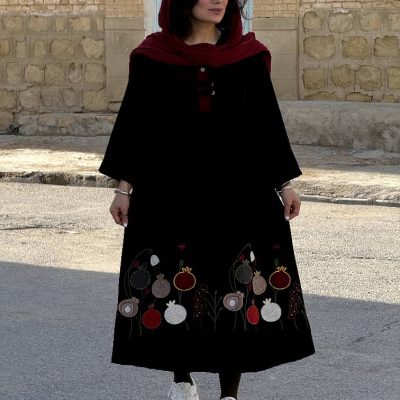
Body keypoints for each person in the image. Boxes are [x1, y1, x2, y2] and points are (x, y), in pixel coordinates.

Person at [98, 0, 315, 399]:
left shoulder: (248, 56)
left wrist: (284, 184)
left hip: (238, 194)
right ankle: (182, 380)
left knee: (234, 287)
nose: (218, 0)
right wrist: (123, 189)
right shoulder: (153, 57)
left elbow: (265, 124)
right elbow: (136, 127)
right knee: (178, 282)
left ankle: (229, 394)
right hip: (170, 195)